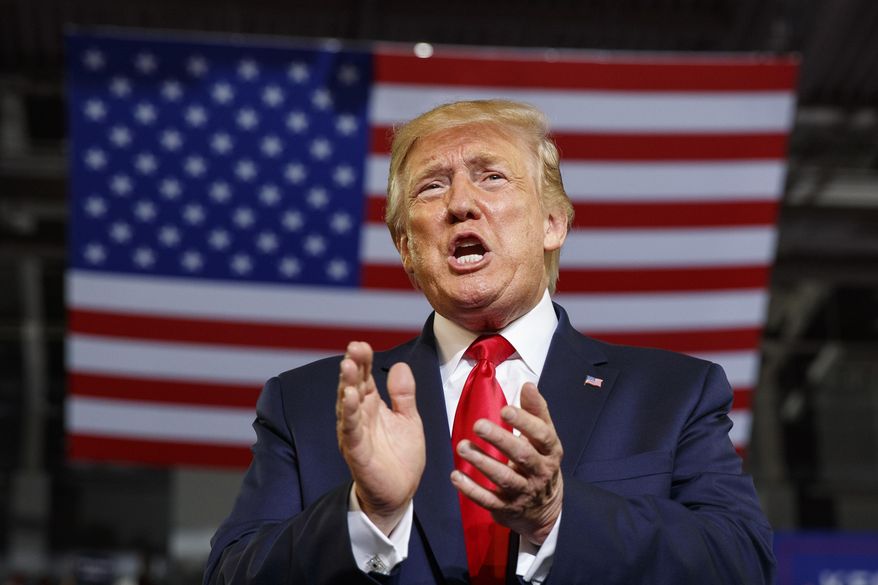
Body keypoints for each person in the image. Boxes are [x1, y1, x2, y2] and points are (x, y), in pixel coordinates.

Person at [204, 100, 775, 584]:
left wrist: (558, 513)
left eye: (492, 176)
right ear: (406, 247)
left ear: (553, 223)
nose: (459, 203)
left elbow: (742, 562)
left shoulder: (673, 394)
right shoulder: (308, 403)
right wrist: (367, 514)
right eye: (432, 187)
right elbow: (231, 572)